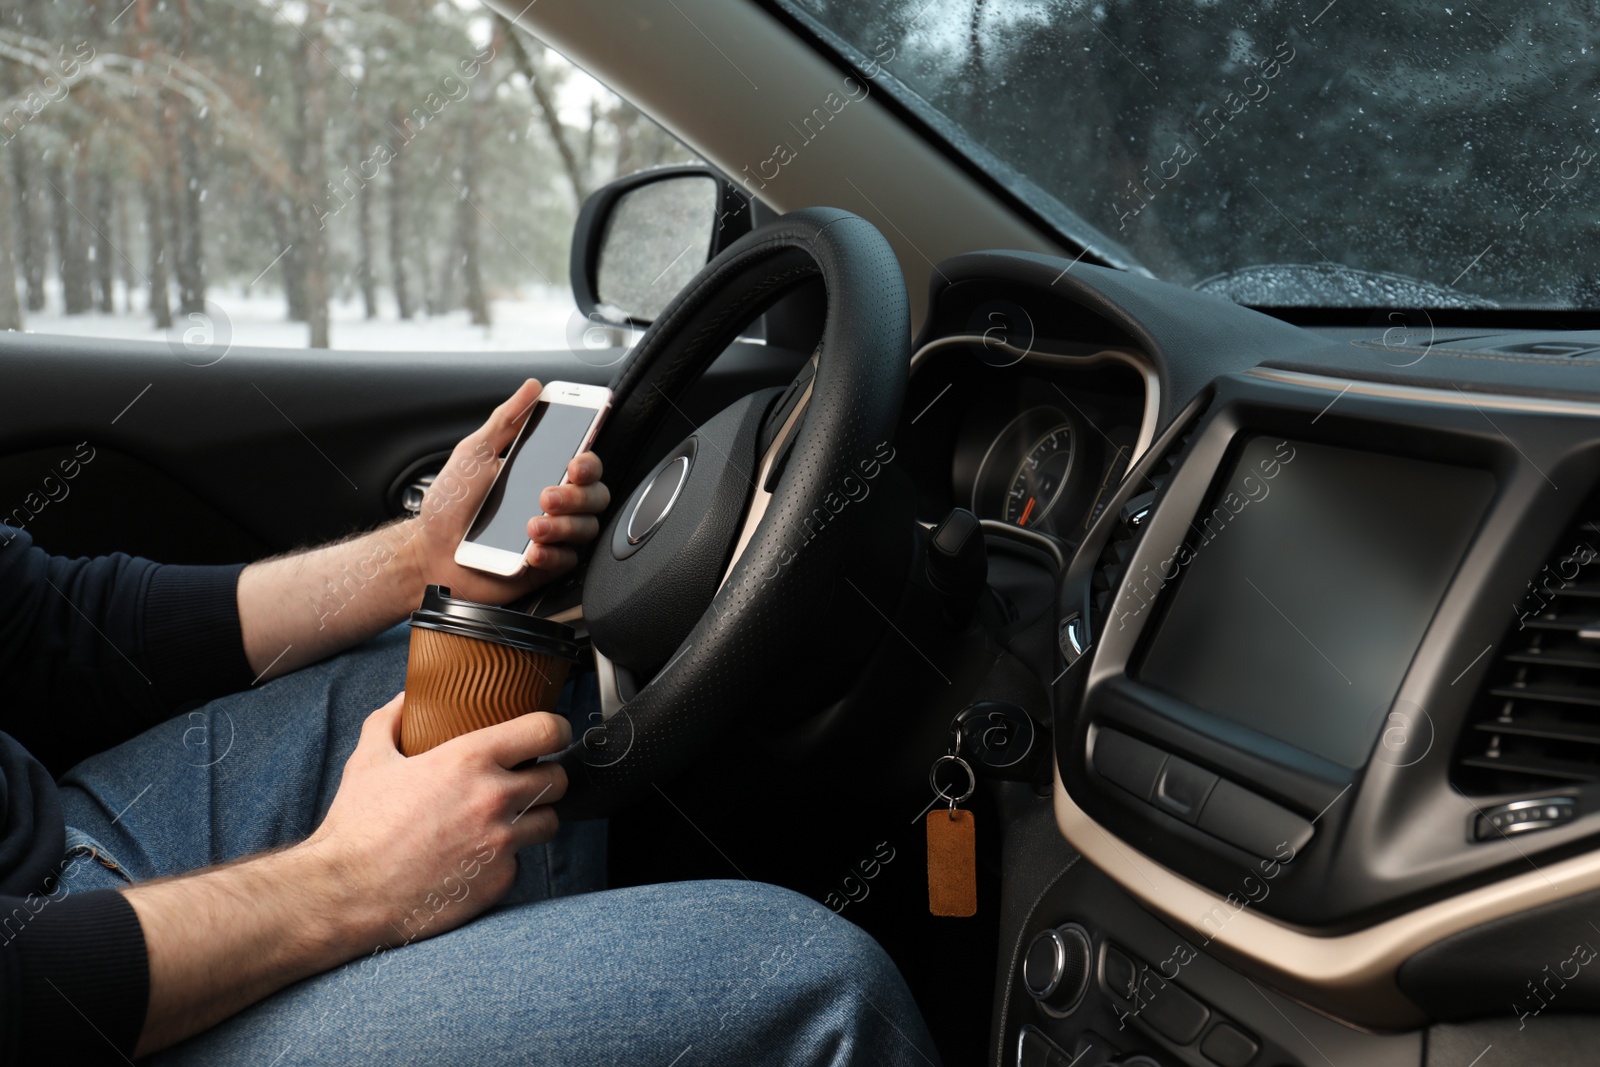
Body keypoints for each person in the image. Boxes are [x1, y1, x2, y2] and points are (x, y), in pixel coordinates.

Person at [0, 380, 938, 1065]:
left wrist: (421, 559)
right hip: (61, 1011)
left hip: (78, 835)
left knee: (514, 678)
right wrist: (349, 881)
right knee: (816, 990)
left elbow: (50, 622)